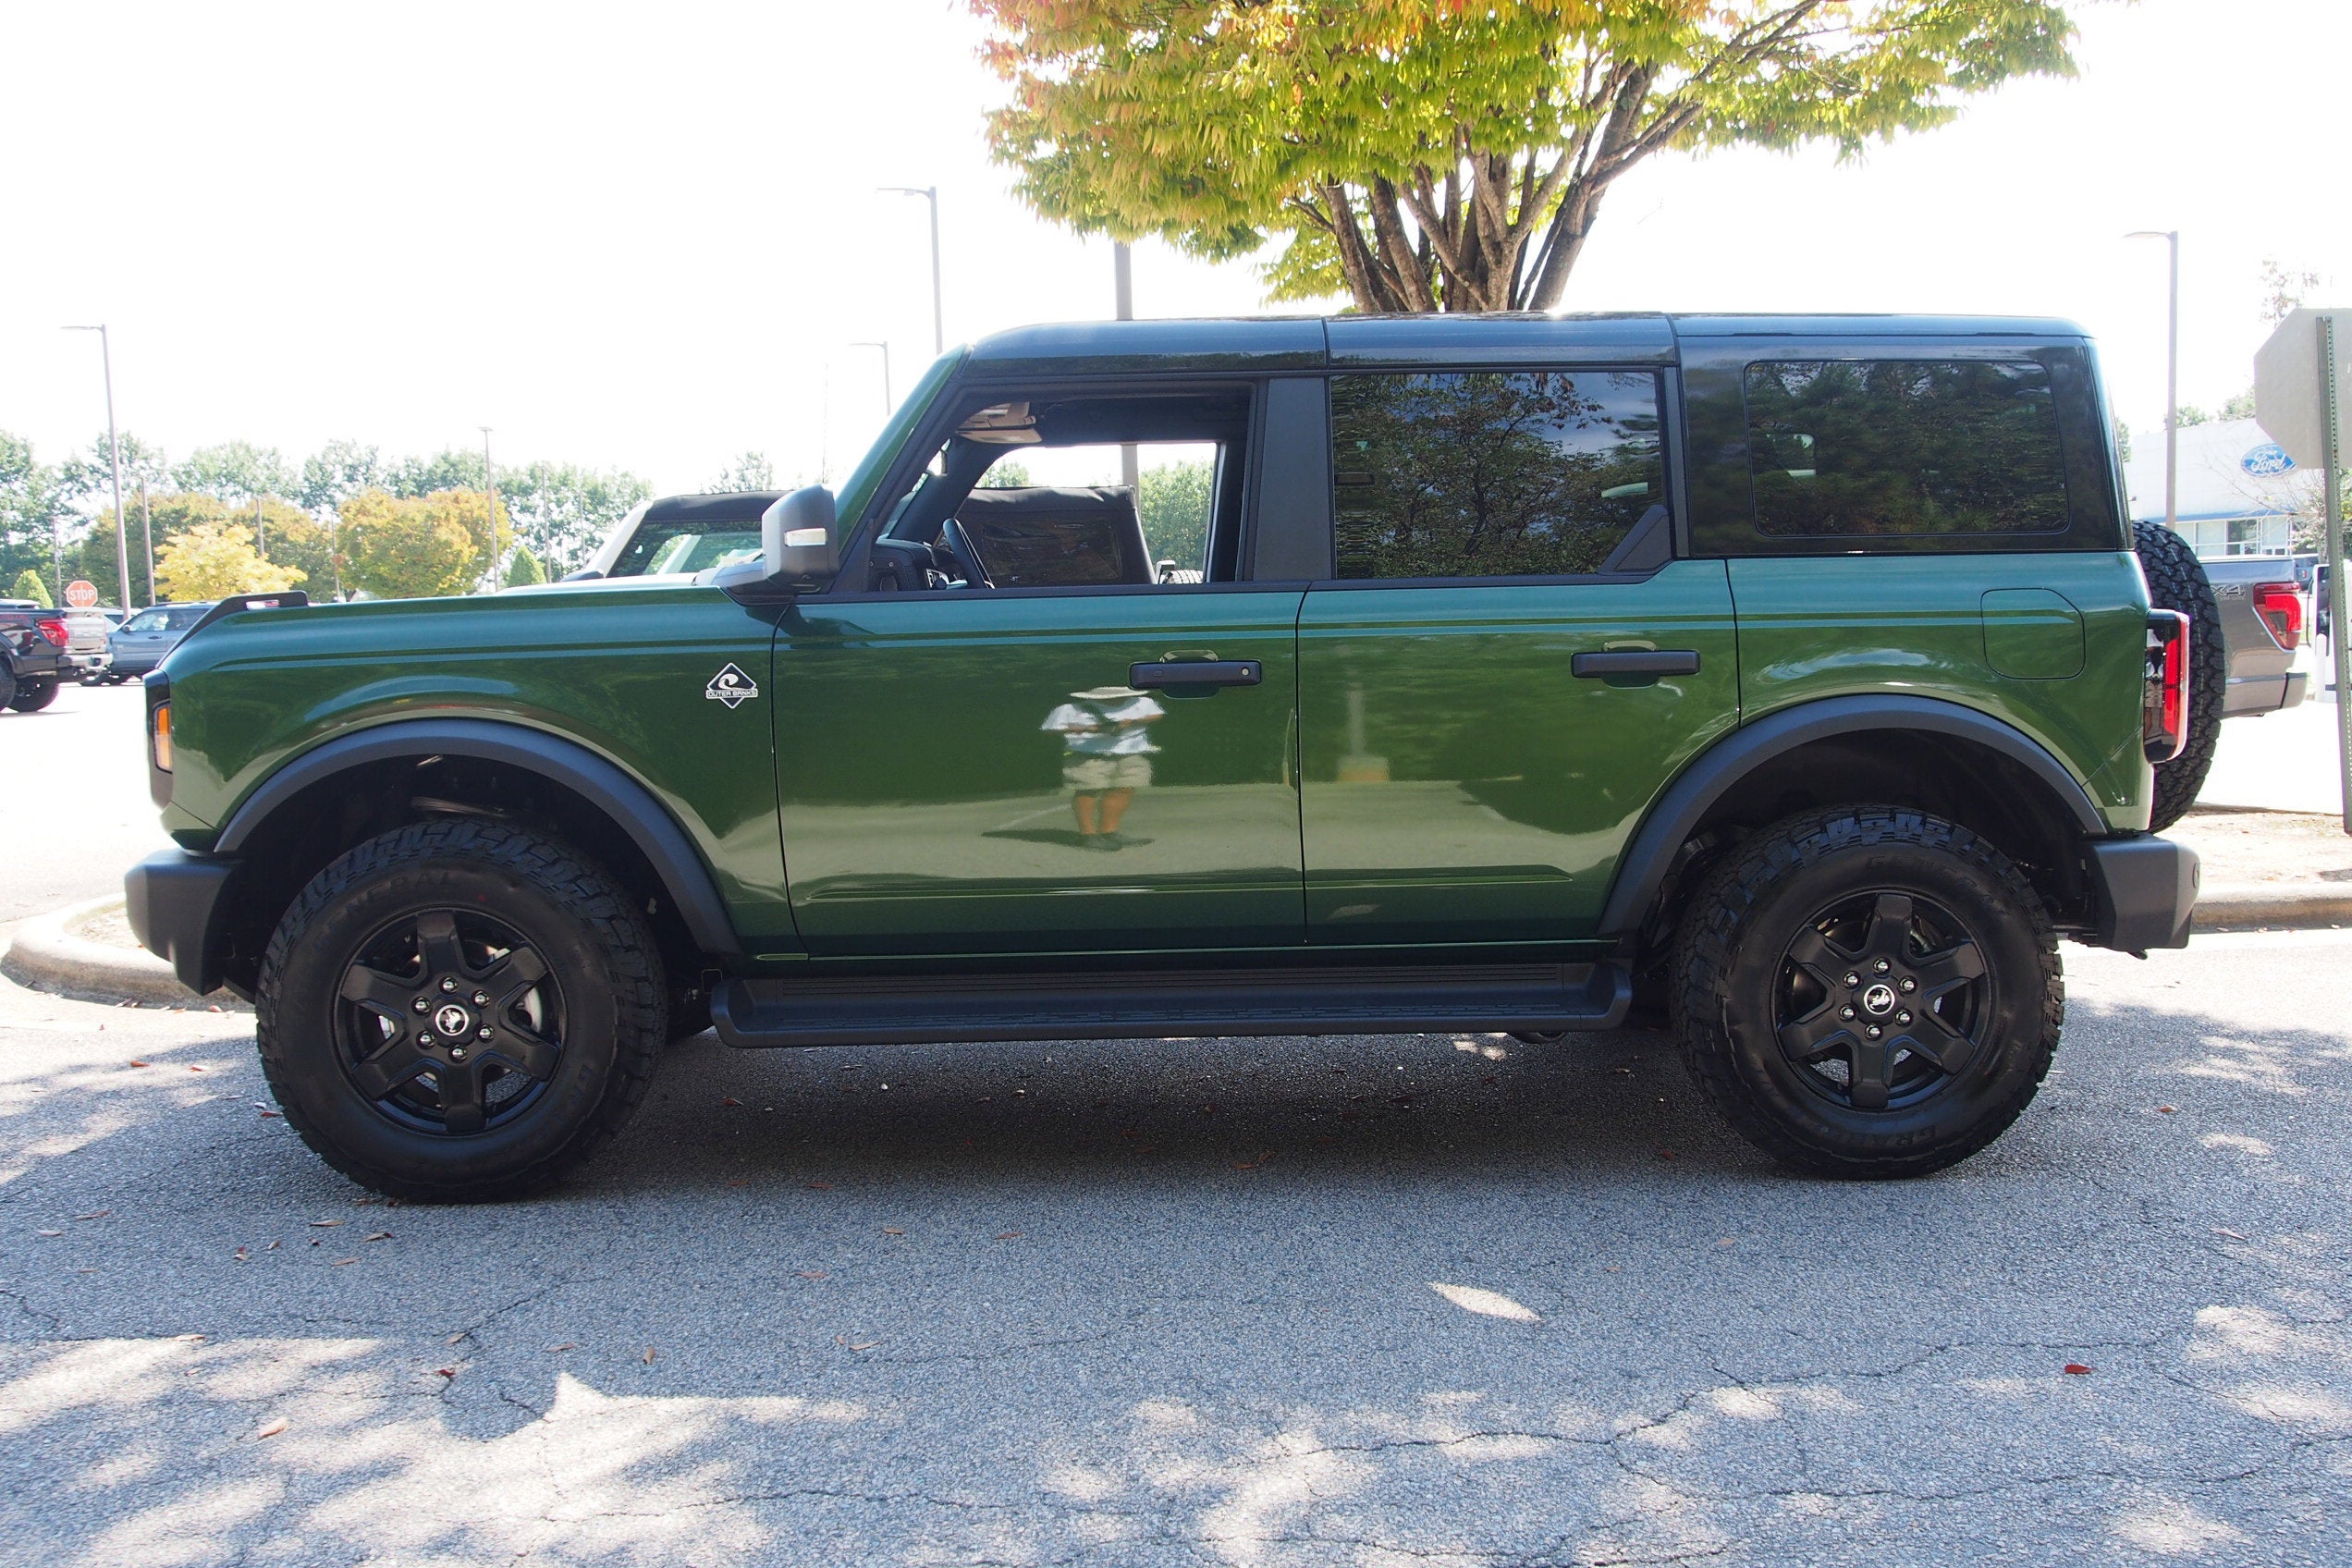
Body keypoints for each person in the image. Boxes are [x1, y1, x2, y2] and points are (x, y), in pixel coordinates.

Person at [1041, 685, 1164, 848]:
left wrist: (1132, 722)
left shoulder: (1142, 702)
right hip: (1088, 755)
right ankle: (1087, 835)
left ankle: (1110, 832)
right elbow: (1049, 730)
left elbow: (1157, 716)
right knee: (1088, 791)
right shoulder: (1070, 709)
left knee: (1124, 789)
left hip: (1130, 753)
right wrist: (1085, 729)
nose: (1117, 699)